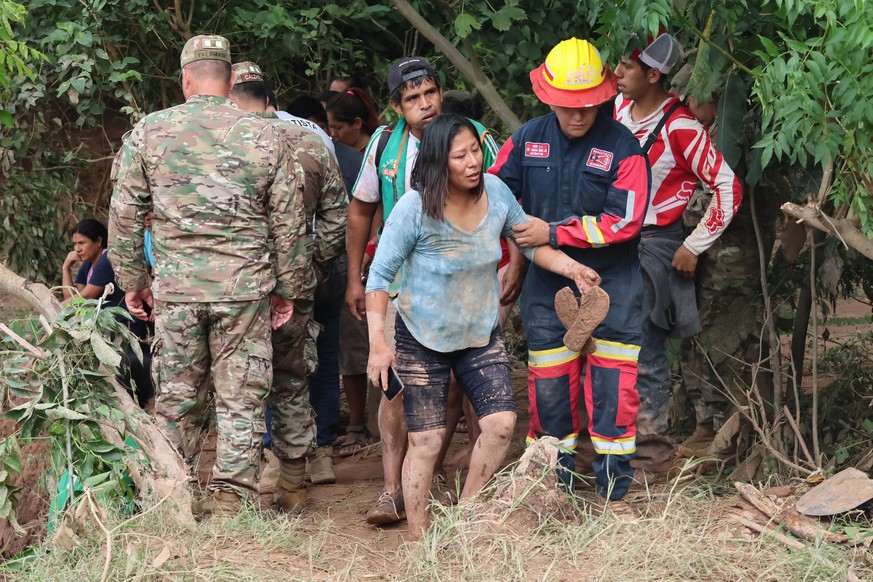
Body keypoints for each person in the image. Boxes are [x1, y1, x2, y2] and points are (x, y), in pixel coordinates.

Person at [367, 114, 602, 539]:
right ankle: (422, 541)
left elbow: (531, 246)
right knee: (428, 440)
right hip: (421, 338)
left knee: (500, 425)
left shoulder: (496, 192)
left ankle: (465, 521)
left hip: (479, 333)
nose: (474, 161)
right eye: (461, 155)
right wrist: (378, 345)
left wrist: (573, 269)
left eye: (475, 150)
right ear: (440, 162)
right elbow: (379, 278)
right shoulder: (413, 208)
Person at [108, 35, 310, 516]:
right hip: (244, 291)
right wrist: (288, 290)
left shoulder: (149, 132)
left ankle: (173, 490)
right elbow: (289, 223)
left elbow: (124, 217)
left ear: (186, 79)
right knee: (240, 396)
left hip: (177, 291)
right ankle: (231, 498)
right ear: (229, 78)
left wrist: (134, 280)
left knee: (177, 395)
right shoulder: (264, 134)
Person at [491, 38, 650, 500]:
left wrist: (554, 233)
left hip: (613, 285)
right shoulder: (526, 139)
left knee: (613, 389)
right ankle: (550, 493)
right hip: (545, 288)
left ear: (603, 96)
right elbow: (494, 195)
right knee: (549, 389)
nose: (578, 115)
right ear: (548, 97)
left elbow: (624, 221)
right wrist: (521, 251)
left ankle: (614, 495)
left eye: (587, 106)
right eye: (567, 106)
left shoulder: (624, 147)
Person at [346, 56, 499, 525]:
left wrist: (512, 266)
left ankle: (477, 493)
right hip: (399, 286)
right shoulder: (383, 146)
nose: (425, 104)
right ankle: (392, 491)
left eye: (430, 93)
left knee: (472, 387)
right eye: (412, 98)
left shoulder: (473, 138)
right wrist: (356, 275)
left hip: (469, 284)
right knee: (394, 387)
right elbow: (359, 211)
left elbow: (507, 201)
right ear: (396, 106)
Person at [612, 33, 742, 466]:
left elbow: (728, 187)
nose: (617, 74)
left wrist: (692, 245)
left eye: (627, 67)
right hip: (608, 244)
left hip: (652, 245)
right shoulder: (614, 112)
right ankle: (609, 446)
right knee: (606, 346)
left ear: (654, 74)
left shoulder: (681, 127)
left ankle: (650, 457)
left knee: (646, 353)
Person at [230, 61, 348, 492]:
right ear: (271, 98)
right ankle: (313, 458)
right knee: (306, 365)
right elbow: (338, 212)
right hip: (306, 279)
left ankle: (266, 460)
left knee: (246, 372)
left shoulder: (228, 144)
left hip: (243, 283)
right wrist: (313, 262)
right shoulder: (311, 139)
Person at [62, 218, 153, 407]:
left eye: (82, 243)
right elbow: (74, 296)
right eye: (75, 244)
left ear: (99, 241)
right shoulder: (88, 263)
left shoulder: (105, 261)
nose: (77, 249)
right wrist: (66, 268)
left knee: (127, 373)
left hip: (123, 327)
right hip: (106, 327)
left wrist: (58, 307)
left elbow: (84, 298)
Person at [325, 87, 381, 152]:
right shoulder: (333, 151)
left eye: (338, 128)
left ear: (357, 123)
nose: (333, 134)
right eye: (330, 127)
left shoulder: (377, 152)